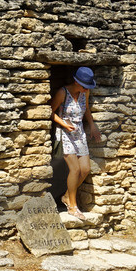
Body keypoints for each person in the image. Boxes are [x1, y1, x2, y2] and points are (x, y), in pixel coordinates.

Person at [51, 67, 103, 218]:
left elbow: (86, 109)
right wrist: (64, 123)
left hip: (79, 133)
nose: (85, 89)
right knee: (75, 170)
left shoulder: (85, 93)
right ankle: (72, 206)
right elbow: (50, 111)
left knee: (85, 169)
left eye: (87, 86)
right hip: (65, 133)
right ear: (76, 81)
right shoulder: (63, 93)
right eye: (83, 85)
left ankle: (67, 195)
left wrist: (92, 126)